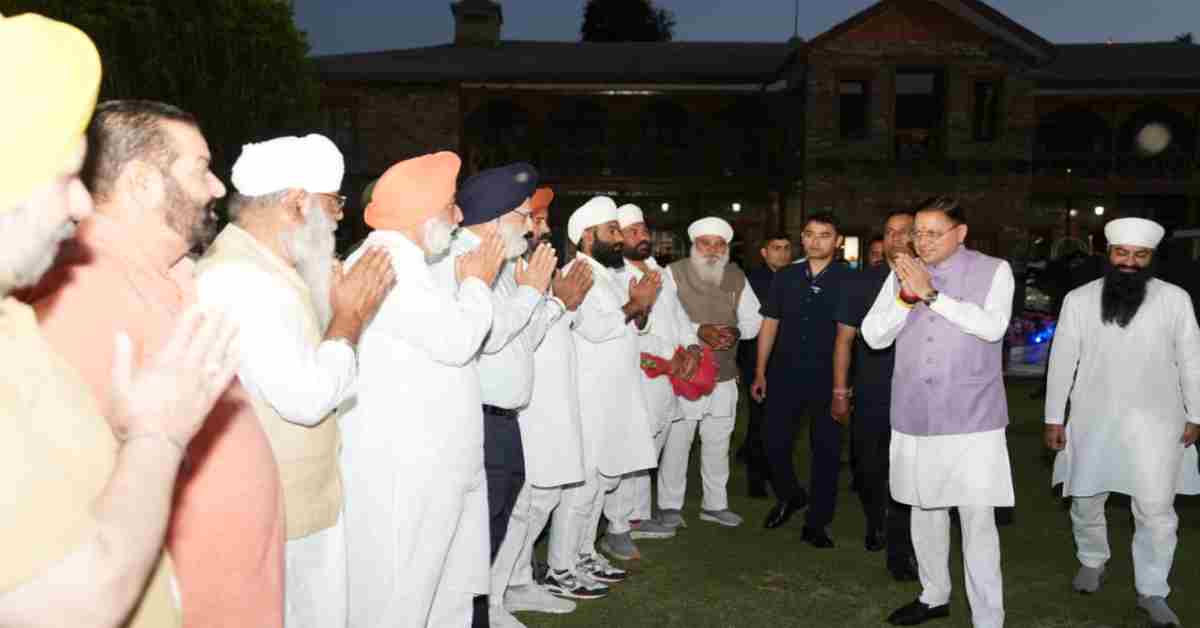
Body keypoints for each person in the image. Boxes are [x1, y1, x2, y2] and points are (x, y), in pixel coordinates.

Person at [0, 13, 237, 627]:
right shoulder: (73, 294)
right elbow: (66, 607)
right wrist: (157, 435)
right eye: (64, 176)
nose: (82, 203)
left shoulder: (13, 319)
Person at [29, 98, 285, 628]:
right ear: (143, 183)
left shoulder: (162, 274)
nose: (217, 187)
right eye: (201, 168)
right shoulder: (81, 293)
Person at [194, 134, 395, 628]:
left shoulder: (269, 268)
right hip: (273, 509)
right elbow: (306, 398)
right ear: (297, 201)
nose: (340, 216)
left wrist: (333, 309)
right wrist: (349, 319)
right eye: (334, 202)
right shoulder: (243, 279)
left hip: (296, 502)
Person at [339, 152, 505, 627]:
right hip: (406, 470)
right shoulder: (386, 262)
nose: (459, 216)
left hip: (434, 463)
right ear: (424, 213)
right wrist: (478, 284)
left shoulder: (407, 260)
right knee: (402, 598)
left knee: (444, 592)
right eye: (451, 206)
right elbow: (457, 340)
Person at [861, 197, 1014, 628]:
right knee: (924, 510)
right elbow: (873, 336)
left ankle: (988, 617)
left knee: (976, 518)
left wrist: (932, 294)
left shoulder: (994, 270)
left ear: (960, 233)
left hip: (972, 416)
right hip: (914, 411)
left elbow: (992, 327)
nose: (922, 241)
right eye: (918, 233)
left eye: (933, 233)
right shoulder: (901, 272)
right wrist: (905, 297)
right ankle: (933, 595)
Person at [1045, 217, 1200, 628]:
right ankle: (1091, 560)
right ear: (1108, 253)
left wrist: (1196, 413)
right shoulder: (1079, 299)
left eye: (1140, 255)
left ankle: (1152, 589)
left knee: (1155, 507)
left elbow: (1192, 360)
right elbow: (1062, 361)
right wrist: (1054, 417)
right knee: (1085, 497)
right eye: (1122, 253)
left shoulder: (1175, 299)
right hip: (1092, 417)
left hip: (1158, 421)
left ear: (1151, 257)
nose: (1129, 262)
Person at [432, 163, 560, 628]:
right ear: (495, 216)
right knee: (473, 540)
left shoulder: (501, 262)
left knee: (493, 530)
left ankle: (480, 614)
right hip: (478, 419)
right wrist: (532, 293)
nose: (530, 226)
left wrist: (542, 297)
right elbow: (490, 335)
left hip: (505, 419)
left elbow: (521, 337)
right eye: (523, 216)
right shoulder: (460, 261)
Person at [543, 197, 659, 597]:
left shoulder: (608, 273)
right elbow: (593, 328)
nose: (619, 238)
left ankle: (584, 554)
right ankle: (560, 567)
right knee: (583, 487)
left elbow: (631, 325)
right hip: (589, 397)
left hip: (615, 395)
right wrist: (635, 304)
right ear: (588, 237)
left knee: (603, 483)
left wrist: (640, 308)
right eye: (612, 231)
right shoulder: (577, 273)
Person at [501, 187, 595, 612]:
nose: (541, 228)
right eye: (533, 219)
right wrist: (557, 301)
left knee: (544, 497)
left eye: (542, 220)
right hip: (527, 403)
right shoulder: (504, 271)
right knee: (523, 502)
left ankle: (519, 580)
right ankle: (503, 589)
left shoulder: (537, 266)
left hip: (554, 395)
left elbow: (563, 324)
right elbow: (516, 335)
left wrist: (563, 301)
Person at [754, 212, 854, 547]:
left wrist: (842, 388)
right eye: (810, 234)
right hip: (785, 372)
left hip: (829, 376)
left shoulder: (849, 279)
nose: (815, 241)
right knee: (772, 442)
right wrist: (760, 370)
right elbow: (770, 322)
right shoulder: (786, 276)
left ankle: (817, 523)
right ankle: (791, 494)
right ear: (802, 238)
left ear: (837, 241)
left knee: (825, 451)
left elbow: (848, 336)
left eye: (824, 235)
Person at [603, 203, 697, 551]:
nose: (641, 236)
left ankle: (638, 515)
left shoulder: (661, 271)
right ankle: (617, 524)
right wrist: (668, 358)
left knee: (650, 448)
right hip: (640, 374)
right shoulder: (615, 276)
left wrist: (691, 347)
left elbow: (678, 316)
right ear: (618, 238)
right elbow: (629, 330)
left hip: (669, 374)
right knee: (632, 449)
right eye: (632, 231)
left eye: (643, 229)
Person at [659, 217, 763, 528]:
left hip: (724, 375)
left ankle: (715, 505)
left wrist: (736, 331)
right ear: (694, 245)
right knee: (678, 443)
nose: (713, 250)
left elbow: (754, 321)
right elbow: (663, 321)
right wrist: (699, 330)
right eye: (706, 243)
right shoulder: (672, 273)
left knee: (718, 443)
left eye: (719, 245)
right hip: (685, 375)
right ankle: (669, 506)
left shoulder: (736, 275)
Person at [832, 210, 918, 580]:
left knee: (910, 466)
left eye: (905, 231)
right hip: (872, 386)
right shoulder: (862, 281)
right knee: (869, 463)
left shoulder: (933, 279)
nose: (896, 237)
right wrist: (840, 390)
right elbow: (844, 340)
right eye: (890, 231)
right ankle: (875, 520)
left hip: (918, 390)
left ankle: (902, 537)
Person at [737, 233, 793, 497]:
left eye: (786, 248)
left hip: (787, 359)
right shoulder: (752, 281)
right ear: (764, 252)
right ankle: (756, 479)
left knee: (781, 421)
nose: (782, 253)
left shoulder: (795, 278)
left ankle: (774, 470)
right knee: (759, 420)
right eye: (776, 248)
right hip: (756, 359)